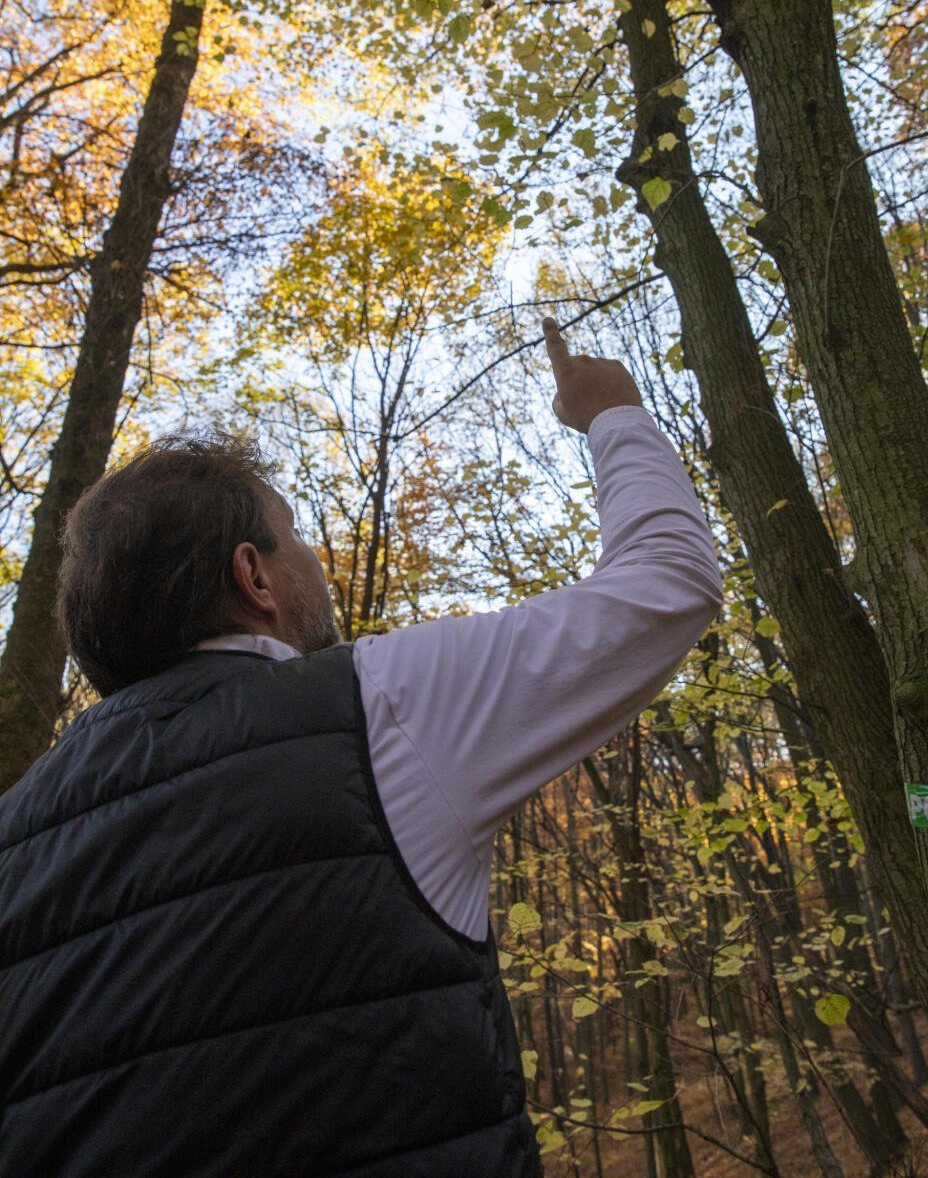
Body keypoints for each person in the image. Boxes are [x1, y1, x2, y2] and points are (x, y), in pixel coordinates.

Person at [0, 319, 722, 1177]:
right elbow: (667, 580)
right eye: (293, 535)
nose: (314, 562)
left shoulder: (12, 834)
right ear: (254, 578)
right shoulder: (373, 706)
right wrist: (614, 416)